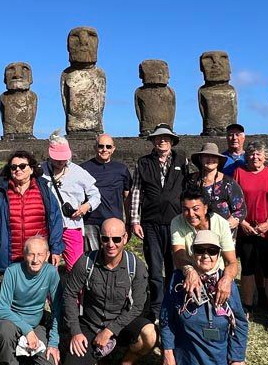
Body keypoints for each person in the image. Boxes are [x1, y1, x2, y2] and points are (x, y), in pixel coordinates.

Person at [60, 217, 157, 365]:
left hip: (121, 324)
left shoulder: (136, 266)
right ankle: (94, 359)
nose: (110, 244)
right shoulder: (86, 262)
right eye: (105, 239)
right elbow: (69, 294)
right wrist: (75, 331)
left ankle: (126, 364)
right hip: (90, 323)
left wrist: (110, 330)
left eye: (116, 239)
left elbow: (138, 306)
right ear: (99, 238)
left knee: (149, 334)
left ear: (125, 238)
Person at [161, 230, 251, 365]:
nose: (206, 255)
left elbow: (240, 323)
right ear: (192, 252)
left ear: (219, 254)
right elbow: (166, 320)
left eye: (212, 251)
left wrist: (237, 359)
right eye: (200, 250)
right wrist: (167, 353)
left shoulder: (226, 283)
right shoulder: (178, 280)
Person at [130, 124, 189, 312]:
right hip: (151, 222)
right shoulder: (143, 162)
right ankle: (156, 307)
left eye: (165, 137)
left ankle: (175, 302)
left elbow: (188, 188)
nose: (162, 140)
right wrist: (134, 220)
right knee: (155, 268)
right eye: (158, 138)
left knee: (175, 264)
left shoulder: (182, 160)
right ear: (153, 141)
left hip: (176, 222)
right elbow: (137, 190)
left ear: (172, 140)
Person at [0, 235, 62, 365]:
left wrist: (53, 342)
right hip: (12, 322)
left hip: (35, 324)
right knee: (4, 329)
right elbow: (2, 309)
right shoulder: (12, 271)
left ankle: (22, 352)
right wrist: (27, 331)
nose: (35, 260)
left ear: (47, 255)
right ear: (24, 254)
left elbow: (57, 309)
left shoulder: (51, 273)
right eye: (31, 254)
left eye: (40, 254)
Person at [233, 140, 268, 332]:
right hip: (245, 228)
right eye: (251, 154)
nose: (255, 157)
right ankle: (247, 307)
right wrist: (243, 222)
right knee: (247, 268)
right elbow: (234, 200)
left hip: (266, 229)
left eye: (258, 154)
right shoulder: (239, 172)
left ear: (265, 156)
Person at [0, 150, 65, 274]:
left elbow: (55, 220)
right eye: (13, 167)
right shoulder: (0, 192)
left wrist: (56, 249)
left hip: (37, 256)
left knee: (40, 292)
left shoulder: (43, 190)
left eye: (22, 166)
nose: (18, 169)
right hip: (10, 256)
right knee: (11, 292)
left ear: (32, 169)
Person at [169, 189, 240, 317]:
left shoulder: (221, 224)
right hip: (189, 273)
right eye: (185, 209)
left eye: (195, 209)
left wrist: (227, 279)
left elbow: (232, 262)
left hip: (215, 275)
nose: (190, 214)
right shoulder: (177, 222)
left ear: (205, 207)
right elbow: (178, 254)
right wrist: (190, 271)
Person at [40, 132, 100, 270]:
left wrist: (87, 206)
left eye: (63, 158)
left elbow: (95, 194)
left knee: (76, 267)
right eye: (57, 158)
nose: (61, 161)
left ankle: (76, 292)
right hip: (47, 226)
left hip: (72, 226)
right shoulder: (40, 170)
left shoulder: (78, 172)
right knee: (46, 267)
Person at [81, 132, 131, 253]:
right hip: (91, 221)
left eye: (108, 147)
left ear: (113, 149)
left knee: (112, 255)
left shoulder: (121, 169)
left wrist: (128, 222)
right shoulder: (83, 168)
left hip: (113, 221)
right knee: (92, 257)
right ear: (95, 147)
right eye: (101, 146)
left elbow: (127, 197)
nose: (104, 150)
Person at [191, 142, 246, 235]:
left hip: (222, 235)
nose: (210, 159)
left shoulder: (228, 183)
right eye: (206, 156)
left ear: (218, 160)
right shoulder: (190, 181)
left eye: (213, 157)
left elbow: (240, 211)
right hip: (194, 233)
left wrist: (224, 227)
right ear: (200, 159)